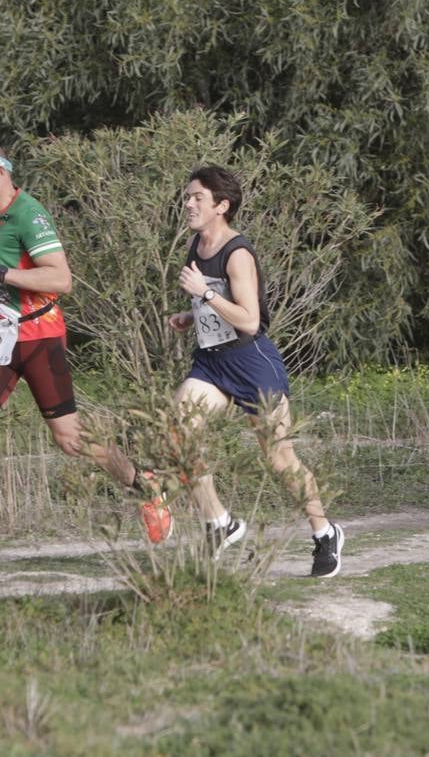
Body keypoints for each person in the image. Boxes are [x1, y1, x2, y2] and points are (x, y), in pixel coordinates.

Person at [0, 143, 171, 574]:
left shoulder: (29, 213)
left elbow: (61, 279)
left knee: (70, 439)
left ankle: (145, 483)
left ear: (0, 172)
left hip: (40, 336)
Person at [165, 165, 344, 578]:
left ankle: (324, 533)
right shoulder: (198, 243)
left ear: (221, 206)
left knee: (279, 457)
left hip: (250, 362)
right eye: (187, 196)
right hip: (211, 362)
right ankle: (219, 523)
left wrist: (203, 293)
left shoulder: (237, 252)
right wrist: (190, 315)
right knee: (177, 432)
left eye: (197, 198)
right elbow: (217, 304)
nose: (188, 203)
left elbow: (248, 320)